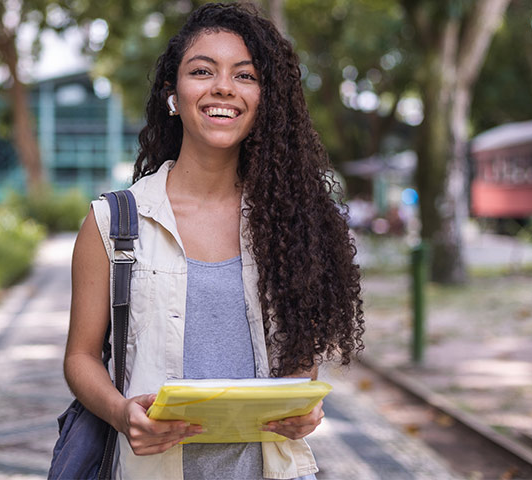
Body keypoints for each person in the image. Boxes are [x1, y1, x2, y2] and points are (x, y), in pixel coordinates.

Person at [63, 3, 364, 479]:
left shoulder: (293, 223)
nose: (223, 86)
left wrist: (301, 404)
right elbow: (80, 358)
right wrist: (122, 414)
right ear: (173, 95)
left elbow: (299, 358)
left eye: (245, 76)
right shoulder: (114, 222)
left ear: (264, 99)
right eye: (202, 71)